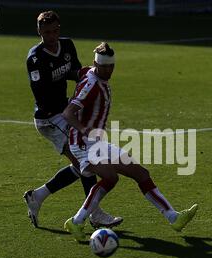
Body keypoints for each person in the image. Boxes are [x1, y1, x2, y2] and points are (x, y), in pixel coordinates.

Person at [61, 42, 198, 241]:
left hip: (97, 143)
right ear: (96, 65)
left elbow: (78, 72)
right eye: (104, 67)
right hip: (83, 144)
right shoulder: (91, 86)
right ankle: (76, 221)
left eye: (111, 66)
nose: (108, 70)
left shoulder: (91, 73)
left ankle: (174, 217)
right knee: (110, 177)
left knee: (141, 173)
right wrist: (84, 129)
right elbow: (68, 113)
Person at [24, 11, 123, 229]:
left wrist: (90, 74)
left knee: (81, 165)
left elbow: (75, 72)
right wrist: (71, 110)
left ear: (59, 28)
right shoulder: (35, 58)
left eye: (55, 31)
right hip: (49, 118)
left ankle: (37, 196)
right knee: (85, 162)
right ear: (39, 32)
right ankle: (95, 215)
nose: (52, 36)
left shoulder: (67, 45)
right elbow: (42, 96)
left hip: (64, 111)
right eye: (47, 32)